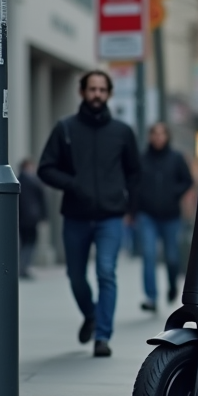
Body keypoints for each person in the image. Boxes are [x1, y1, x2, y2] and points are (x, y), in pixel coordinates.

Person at [38, 70, 140, 357]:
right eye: (91, 89)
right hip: (75, 215)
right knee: (75, 276)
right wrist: (72, 184)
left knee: (106, 272)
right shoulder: (65, 129)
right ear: (82, 92)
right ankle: (91, 314)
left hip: (110, 216)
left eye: (102, 89)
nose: (97, 94)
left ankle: (103, 336)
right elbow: (45, 168)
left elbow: (134, 173)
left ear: (108, 94)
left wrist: (131, 208)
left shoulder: (122, 132)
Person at [136, 123, 194, 311]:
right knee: (149, 254)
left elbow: (188, 181)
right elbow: (133, 184)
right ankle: (151, 297)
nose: (158, 138)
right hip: (147, 215)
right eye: (155, 134)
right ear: (150, 137)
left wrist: (173, 193)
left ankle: (172, 285)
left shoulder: (176, 158)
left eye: (162, 134)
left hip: (171, 216)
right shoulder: (142, 158)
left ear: (167, 137)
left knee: (172, 257)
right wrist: (132, 209)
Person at [17, 158, 47, 280]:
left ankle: (23, 267)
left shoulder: (19, 180)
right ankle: (24, 267)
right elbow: (41, 199)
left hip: (23, 218)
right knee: (29, 243)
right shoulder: (32, 181)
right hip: (30, 218)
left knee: (25, 243)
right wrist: (43, 215)